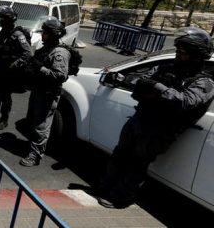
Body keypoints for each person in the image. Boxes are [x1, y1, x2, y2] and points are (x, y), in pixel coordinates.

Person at [95, 27, 214, 209]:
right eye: (177, 51)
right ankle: (105, 187)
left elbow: (185, 102)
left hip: (160, 130)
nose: (177, 55)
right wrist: (150, 90)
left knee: (137, 163)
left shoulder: (203, 82)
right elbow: (138, 83)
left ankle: (121, 197)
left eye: (182, 53)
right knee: (120, 154)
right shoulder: (166, 69)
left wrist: (158, 88)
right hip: (140, 119)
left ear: (197, 56)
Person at [19, 17, 70, 167]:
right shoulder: (47, 48)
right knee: (32, 120)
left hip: (48, 93)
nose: (43, 35)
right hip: (38, 90)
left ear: (53, 34)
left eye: (46, 32)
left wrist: (39, 68)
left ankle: (35, 156)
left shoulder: (59, 53)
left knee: (41, 126)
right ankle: (32, 148)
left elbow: (60, 76)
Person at [0, 6, 31, 130]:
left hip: (8, 71)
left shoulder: (17, 34)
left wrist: (16, 63)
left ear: (9, 20)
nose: (0, 21)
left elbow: (28, 53)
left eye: (3, 19)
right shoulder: (3, 32)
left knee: (6, 96)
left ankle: (4, 119)